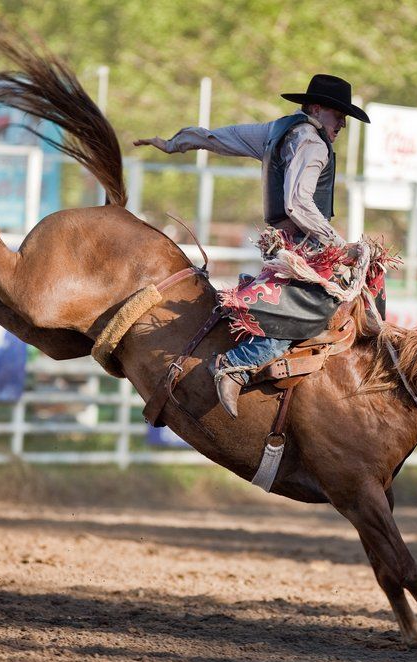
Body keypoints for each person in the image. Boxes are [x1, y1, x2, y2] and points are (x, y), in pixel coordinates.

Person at [135, 74, 372, 419]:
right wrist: (339, 245)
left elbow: (220, 138)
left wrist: (177, 142)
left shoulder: (278, 130)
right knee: (309, 310)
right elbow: (297, 204)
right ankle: (238, 364)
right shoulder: (313, 144)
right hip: (303, 249)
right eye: (339, 116)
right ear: (318, 109)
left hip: (287, 245)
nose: (343, 125)